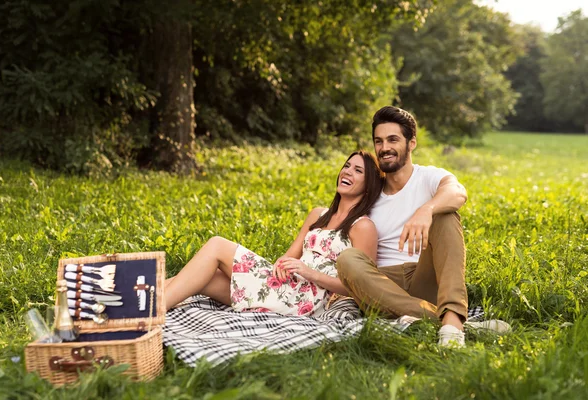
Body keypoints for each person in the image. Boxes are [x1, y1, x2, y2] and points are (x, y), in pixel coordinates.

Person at [165, 151, 383, 317]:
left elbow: (361, 288)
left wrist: (310, 273)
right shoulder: (319, 214)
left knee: (217, 245)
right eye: (347, 166)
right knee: (203, 276)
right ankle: (143, 302)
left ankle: (153, 311)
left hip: (307, 298)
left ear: (368, 185)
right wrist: (281, 264)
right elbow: (289, 256)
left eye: (358, 170)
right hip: (286, 284)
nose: (347, 171)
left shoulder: (363, 227)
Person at [336, 106, 473, 346]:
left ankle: (451, 322)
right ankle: (452, 322)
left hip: (424, 275)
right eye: (378, 141)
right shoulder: (370, 191)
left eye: (393, 139)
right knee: (347, 259)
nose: (384, 148)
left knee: (446, 215)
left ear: (411, 143)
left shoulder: (428, 177)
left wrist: (427, 209)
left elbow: (458, 192)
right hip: (382, 284)